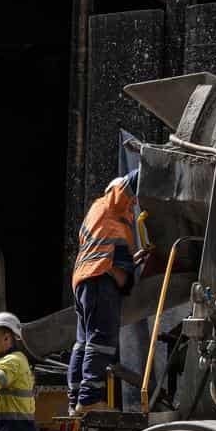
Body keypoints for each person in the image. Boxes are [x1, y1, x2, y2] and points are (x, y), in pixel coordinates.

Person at [69, 169, 147, 415]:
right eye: (132, 200)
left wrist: (133, 261)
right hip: (101, 280)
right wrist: (159, 156)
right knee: (102, 340)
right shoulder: (113, 202)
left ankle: (76, 402)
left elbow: (107, 247)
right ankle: (90, 399)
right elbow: (133, 180)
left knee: (84, 344)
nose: (133, 204)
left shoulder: (96, 215)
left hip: (86, 281)